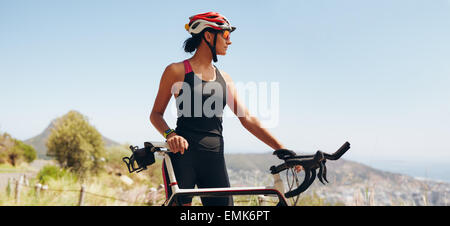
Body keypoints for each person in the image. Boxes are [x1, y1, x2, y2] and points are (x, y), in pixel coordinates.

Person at [150, 12, 301, 206]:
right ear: (208, 36)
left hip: (214, 159)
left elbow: (246, 118)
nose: (229, 42)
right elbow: (155, 114)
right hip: (182, 158)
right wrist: (170, 134)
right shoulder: (176, 71)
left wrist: (282, 149)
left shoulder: (224, 78)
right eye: (226, 35)